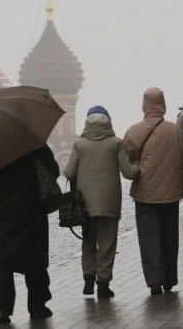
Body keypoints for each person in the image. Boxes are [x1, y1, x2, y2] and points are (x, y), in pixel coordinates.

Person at [0, 146, 58, 323]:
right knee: (33, 256)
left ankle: (1, 308)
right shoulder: (31, 141)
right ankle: (37, 306)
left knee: (1, 258)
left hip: (0, 209)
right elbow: (53, 170)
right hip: (30, 204)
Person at [64, 106, 139, 299]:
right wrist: (139, 166)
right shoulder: (115, 143)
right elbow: (128, 172)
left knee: (89, 240)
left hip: (85, 204)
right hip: (109, 201)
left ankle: (88, 279)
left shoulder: (79, 144)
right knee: (107, 242)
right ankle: (103, 283)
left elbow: (69, 173)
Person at [123, 88, 183, 295]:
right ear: (163, 106)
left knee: (148, 237)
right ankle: (169, 279)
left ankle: (154, 280)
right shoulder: (174, 130)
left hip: (144, 195)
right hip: (171, 195)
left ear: (144, 106)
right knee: (169, 237)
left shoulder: (133, 132)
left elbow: (126, 164)